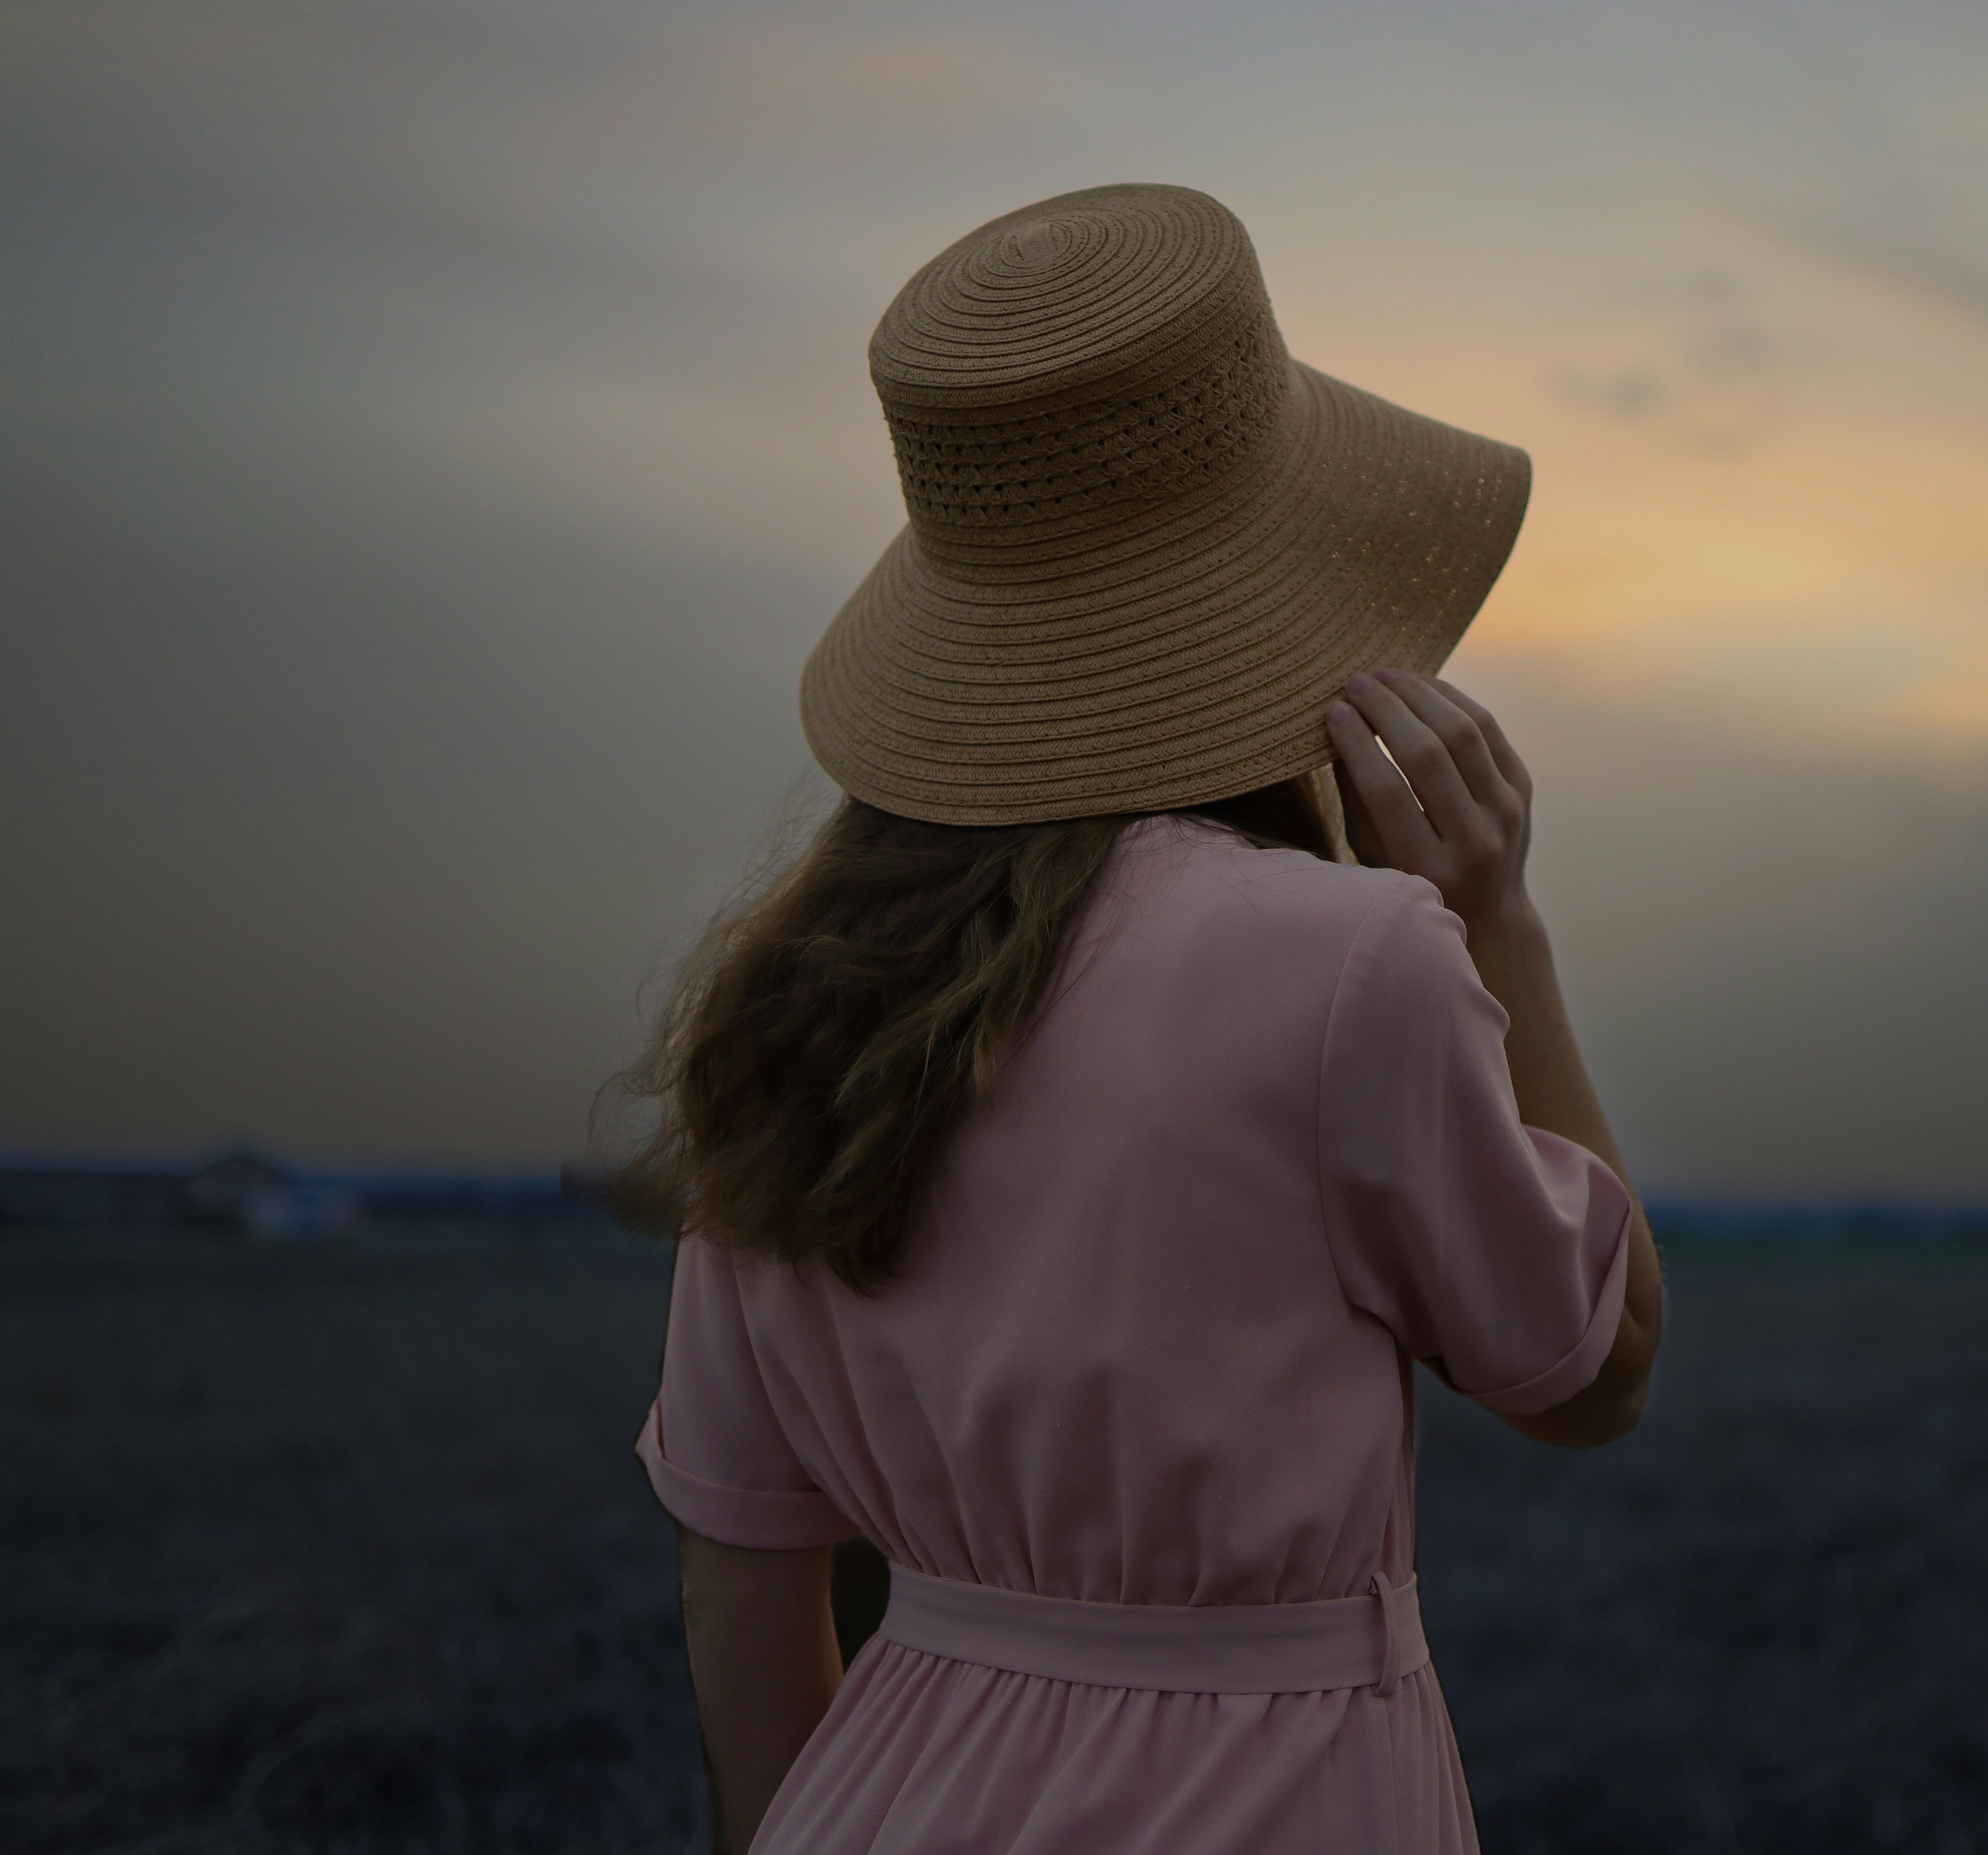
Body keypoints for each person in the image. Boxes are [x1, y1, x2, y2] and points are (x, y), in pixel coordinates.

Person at [625, 183, 1663, 1855]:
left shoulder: (781, 1002)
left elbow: (741, 1581)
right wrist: (1503, 927)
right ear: (1288, 577)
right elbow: (1591, 1372)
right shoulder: (1355, 962)